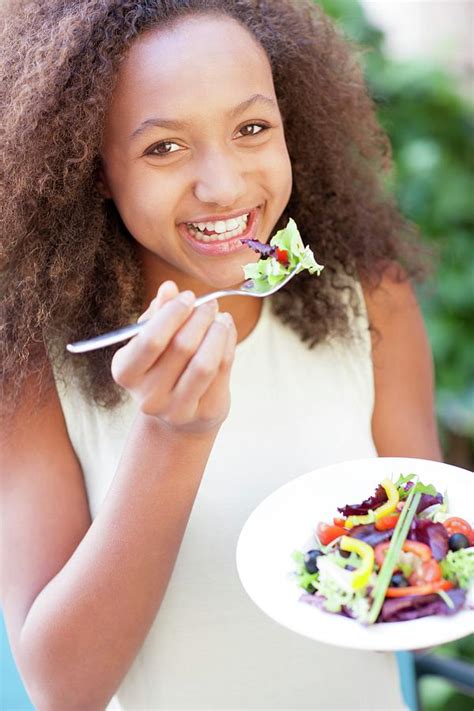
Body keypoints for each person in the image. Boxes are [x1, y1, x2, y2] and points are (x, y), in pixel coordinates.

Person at [0, 1, 442, 709]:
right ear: (96, 170)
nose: (225, 186)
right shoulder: (33, 372)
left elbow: (425, 593)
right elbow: (61, 688)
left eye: (252, 129)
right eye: (163, 148)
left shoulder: (371, 298)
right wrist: (173, 435)